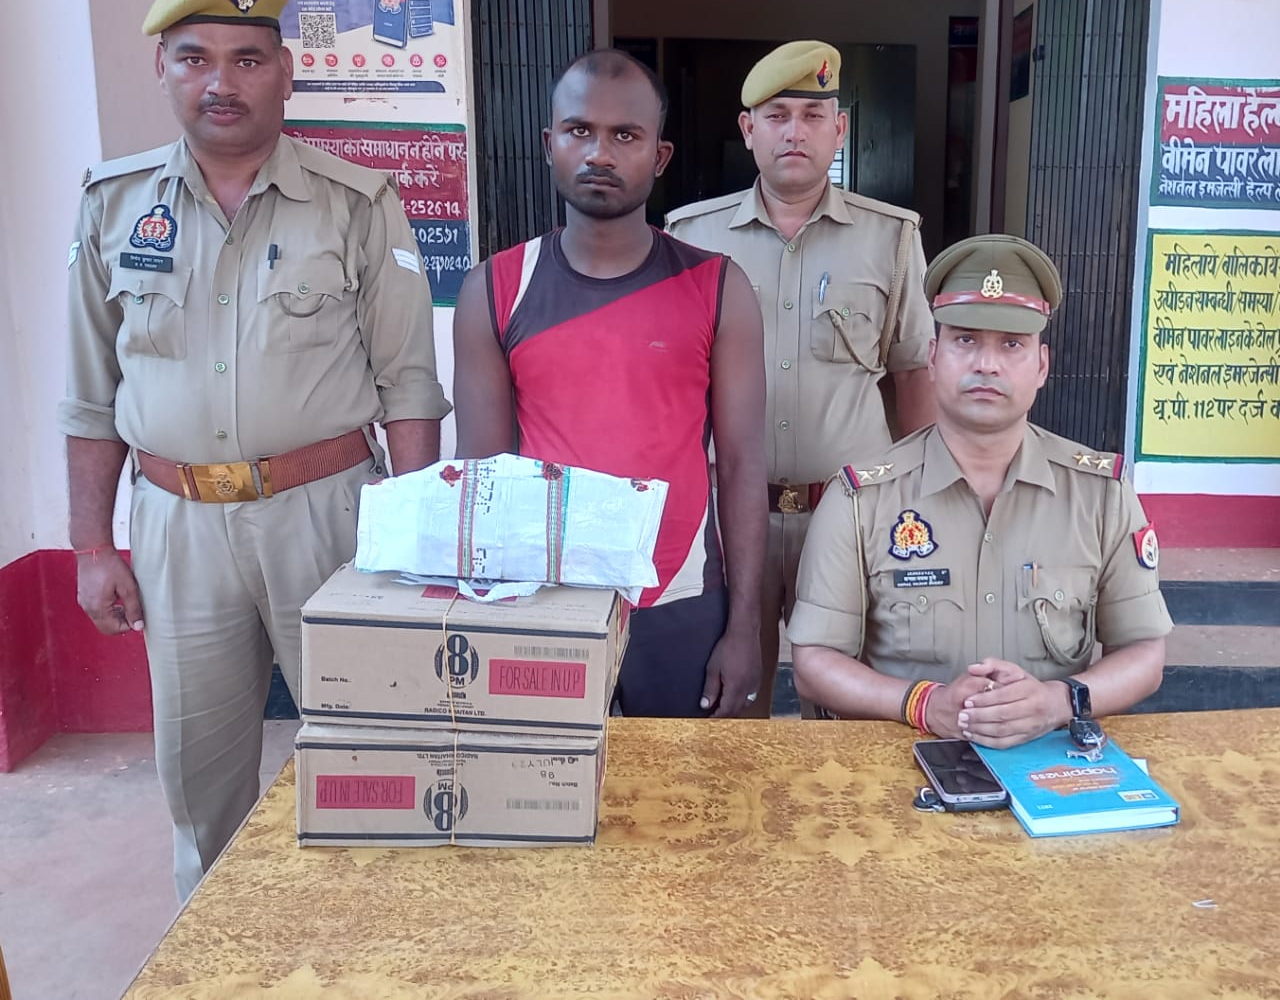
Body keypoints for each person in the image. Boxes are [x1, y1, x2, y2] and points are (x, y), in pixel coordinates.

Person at [59, 0, 450, 899]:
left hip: (329, 516)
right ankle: (216, 938)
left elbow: (409, 388)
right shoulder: (114, 205)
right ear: (162, 68)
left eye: (246, 59)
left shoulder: (357, 202)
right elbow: (89, 394)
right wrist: (90, 547)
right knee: (199, 773)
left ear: (285, 72)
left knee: (370, 747)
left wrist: (409, 548)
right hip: (177, 526)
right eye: (195, 59)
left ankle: (374, 931)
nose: (220, 82)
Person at [452, 49, 766, 718]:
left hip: (680, 596)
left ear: (660, 155)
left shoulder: (716, 287)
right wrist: (483, 618)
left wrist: (745, 625)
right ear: (549, 144)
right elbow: (484, 477)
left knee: (681, 784)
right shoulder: (496, 289)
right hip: (541, 600)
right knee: (546, 783)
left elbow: (742, 466)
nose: (600, 153)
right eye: (579, 131)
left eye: (625, 135)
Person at [788, 235, 1171, 747]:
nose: (986, 364)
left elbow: (1144, 652)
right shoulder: (861, 499)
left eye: (1011, 344)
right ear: (932, 357)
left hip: (1050, 762)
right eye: (965, 340)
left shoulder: (1101, 495)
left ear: (1042, 366)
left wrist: (1058, 701)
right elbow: (814, 663)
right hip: (905, 760)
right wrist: (925, 705)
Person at [667, 41, 937, 717]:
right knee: (730, 708)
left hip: (851, 517)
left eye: (813, 115)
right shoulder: (690, 240)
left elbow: (913, 374)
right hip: (730, 521)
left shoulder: (890, 238)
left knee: (850, 713)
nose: (795, 131)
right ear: (747, 129)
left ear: (839, 129)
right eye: (777, 115)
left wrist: (926, 500)